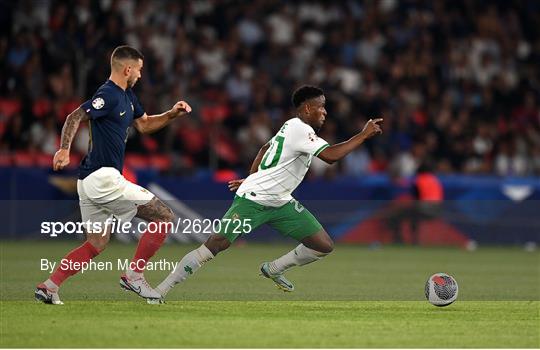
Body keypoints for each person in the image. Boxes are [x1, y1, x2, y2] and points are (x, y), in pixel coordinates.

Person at [153, 86, 382, 302]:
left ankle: (273, 269)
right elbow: (331, 156)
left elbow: (264, 149)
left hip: (281, 202)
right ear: (307, 109)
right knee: (215, 245)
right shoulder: (301, 129)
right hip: (254, 200)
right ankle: (160, 291)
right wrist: (362, 135)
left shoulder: (291, 126)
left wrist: (253, 175)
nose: (325, 111)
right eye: (321, 106)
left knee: (322, 244)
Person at [35, 45, 192, 304]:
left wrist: (171, 114)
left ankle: (50, 286)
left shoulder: (128, 97)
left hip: (88, 181)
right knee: (164, 216)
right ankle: (134, 275)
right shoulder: (108, 94)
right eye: (139, 70)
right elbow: (75, 116)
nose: (140, 75)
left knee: (96, 243)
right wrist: (64, 149)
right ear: (127, 69)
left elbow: (144, 124)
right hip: (102, 178)